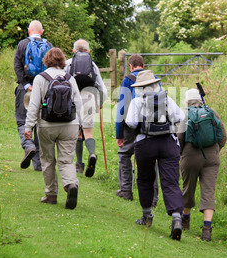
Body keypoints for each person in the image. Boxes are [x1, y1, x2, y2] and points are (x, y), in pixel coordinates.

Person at [125, 70, 185, 240]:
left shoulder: (137, 101)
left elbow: (131, 123)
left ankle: (147, 216)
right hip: (168, 143)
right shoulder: (167, 98)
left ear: (139, 87)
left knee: (145, 179)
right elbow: (180, 116)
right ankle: (176, 218)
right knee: (171, 182)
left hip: (145, 144)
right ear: (155, 84)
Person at [24, 47, 83, 209]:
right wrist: (81, 124)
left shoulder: (40, 78)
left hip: (46, 125)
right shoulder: (70, 78)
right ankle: (71, 185)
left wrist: (28, 126)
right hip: (70, 124)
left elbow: (34, 105)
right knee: (66, 160)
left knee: (48, 159)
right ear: (62, 60)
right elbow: (78, 103)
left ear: (46, 60)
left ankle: (51, 194)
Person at [177, 88, 227, 241]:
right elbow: (223, 136)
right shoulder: (211, 112)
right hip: (212, 157)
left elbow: (179, 138)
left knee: (188, 188)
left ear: (187, 101)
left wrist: (181, 154)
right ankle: (206, 229)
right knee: (208, 192)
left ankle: (185, 220)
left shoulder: (184, 114)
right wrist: (216, 150)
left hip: (190, 156)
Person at [115, 54, 158, 204]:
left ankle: (126, 190)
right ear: (143, 66)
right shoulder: (154, 78)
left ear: (131, 66)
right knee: (151, 158)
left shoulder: (128, 79)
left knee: (125, 154)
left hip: (131, 123)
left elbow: (122, 106)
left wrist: (119, 133)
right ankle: (153, 198)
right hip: (153, 124)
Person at [65, 39, 107, 178]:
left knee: (77, 132)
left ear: (74, 50)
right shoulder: (93, 65)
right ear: (88, 51)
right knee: (88, 132)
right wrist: (100, 102)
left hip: (73, 98)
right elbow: (101, 87)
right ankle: (92, 154)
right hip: (89, 97)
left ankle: (79, 164)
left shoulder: (68, 63)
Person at [14, 20, 52, 171]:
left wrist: (25, 84)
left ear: (28, 31)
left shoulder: (22, 44)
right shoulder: (49, 45)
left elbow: (17, 65)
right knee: (40, 125)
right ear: (41, 32)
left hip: (26, 90)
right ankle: (39, 164)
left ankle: (28, 146)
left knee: (22, 120)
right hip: (43, 90)